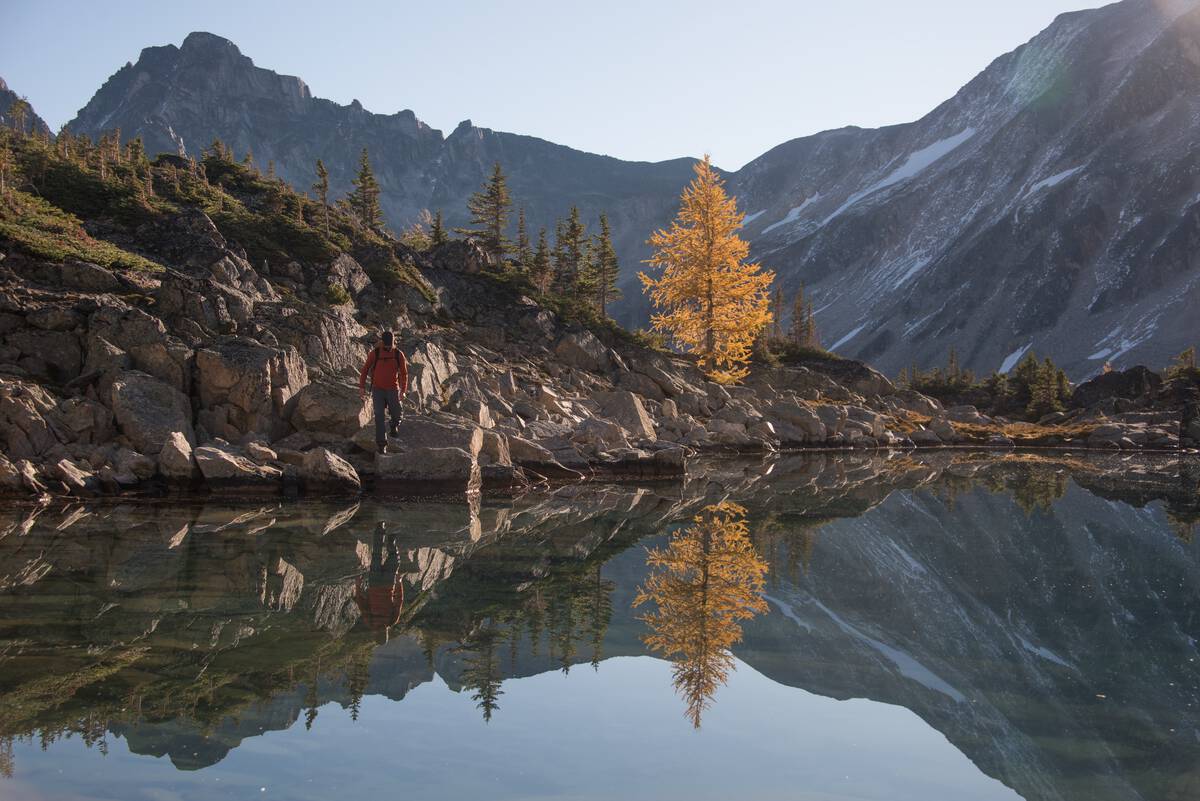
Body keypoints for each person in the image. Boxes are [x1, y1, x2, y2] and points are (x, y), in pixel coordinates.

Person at [358, 330, 408, 454]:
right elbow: (365, 370)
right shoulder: (375, 353)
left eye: (390, 345)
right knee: (379, 417)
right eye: (386, 345)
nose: (388, 347)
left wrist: (403, 390)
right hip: (377, 390)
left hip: (393, 389)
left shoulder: (398, 354)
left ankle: (394, 424)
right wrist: (362, 387)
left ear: (393, 342)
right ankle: (381, 445)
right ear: (382, 343)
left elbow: (404, 374)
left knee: (397, 413)